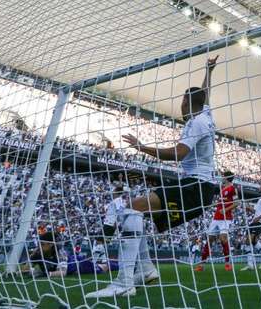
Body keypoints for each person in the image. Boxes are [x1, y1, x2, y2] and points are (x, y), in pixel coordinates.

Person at [87, 56, 220, 299]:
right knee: (134, 211)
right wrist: (209, 70)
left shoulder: (194, 123)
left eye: (182, 102)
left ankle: (124, 281)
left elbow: (179, 154)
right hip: (200, 186)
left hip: (195, 186)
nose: (180, 108)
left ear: (188, 103)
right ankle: (146, 270)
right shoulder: (207, 115)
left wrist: (142, 147)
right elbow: (205, 94)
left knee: (131, 208)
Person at [196, 170, 238, 272]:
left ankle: (227, 263)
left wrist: (226, 210)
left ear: (226, 178)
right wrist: (213, 205)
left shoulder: (233, 189)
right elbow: (221, 202)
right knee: (209, 240)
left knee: (223, 239)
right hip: (216, 217)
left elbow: (236, 203)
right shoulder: (222, 189)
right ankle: (201, 265)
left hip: (225, 218)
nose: (221, 178)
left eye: (223, 176)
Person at [241, 180, 261, 271]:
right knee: (253, 240)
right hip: (256, 220)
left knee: (249, 239)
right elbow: (255, 211)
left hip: (260, 221)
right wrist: (248, 207)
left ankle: (250, 263)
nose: (259, 187)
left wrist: (258, 218)